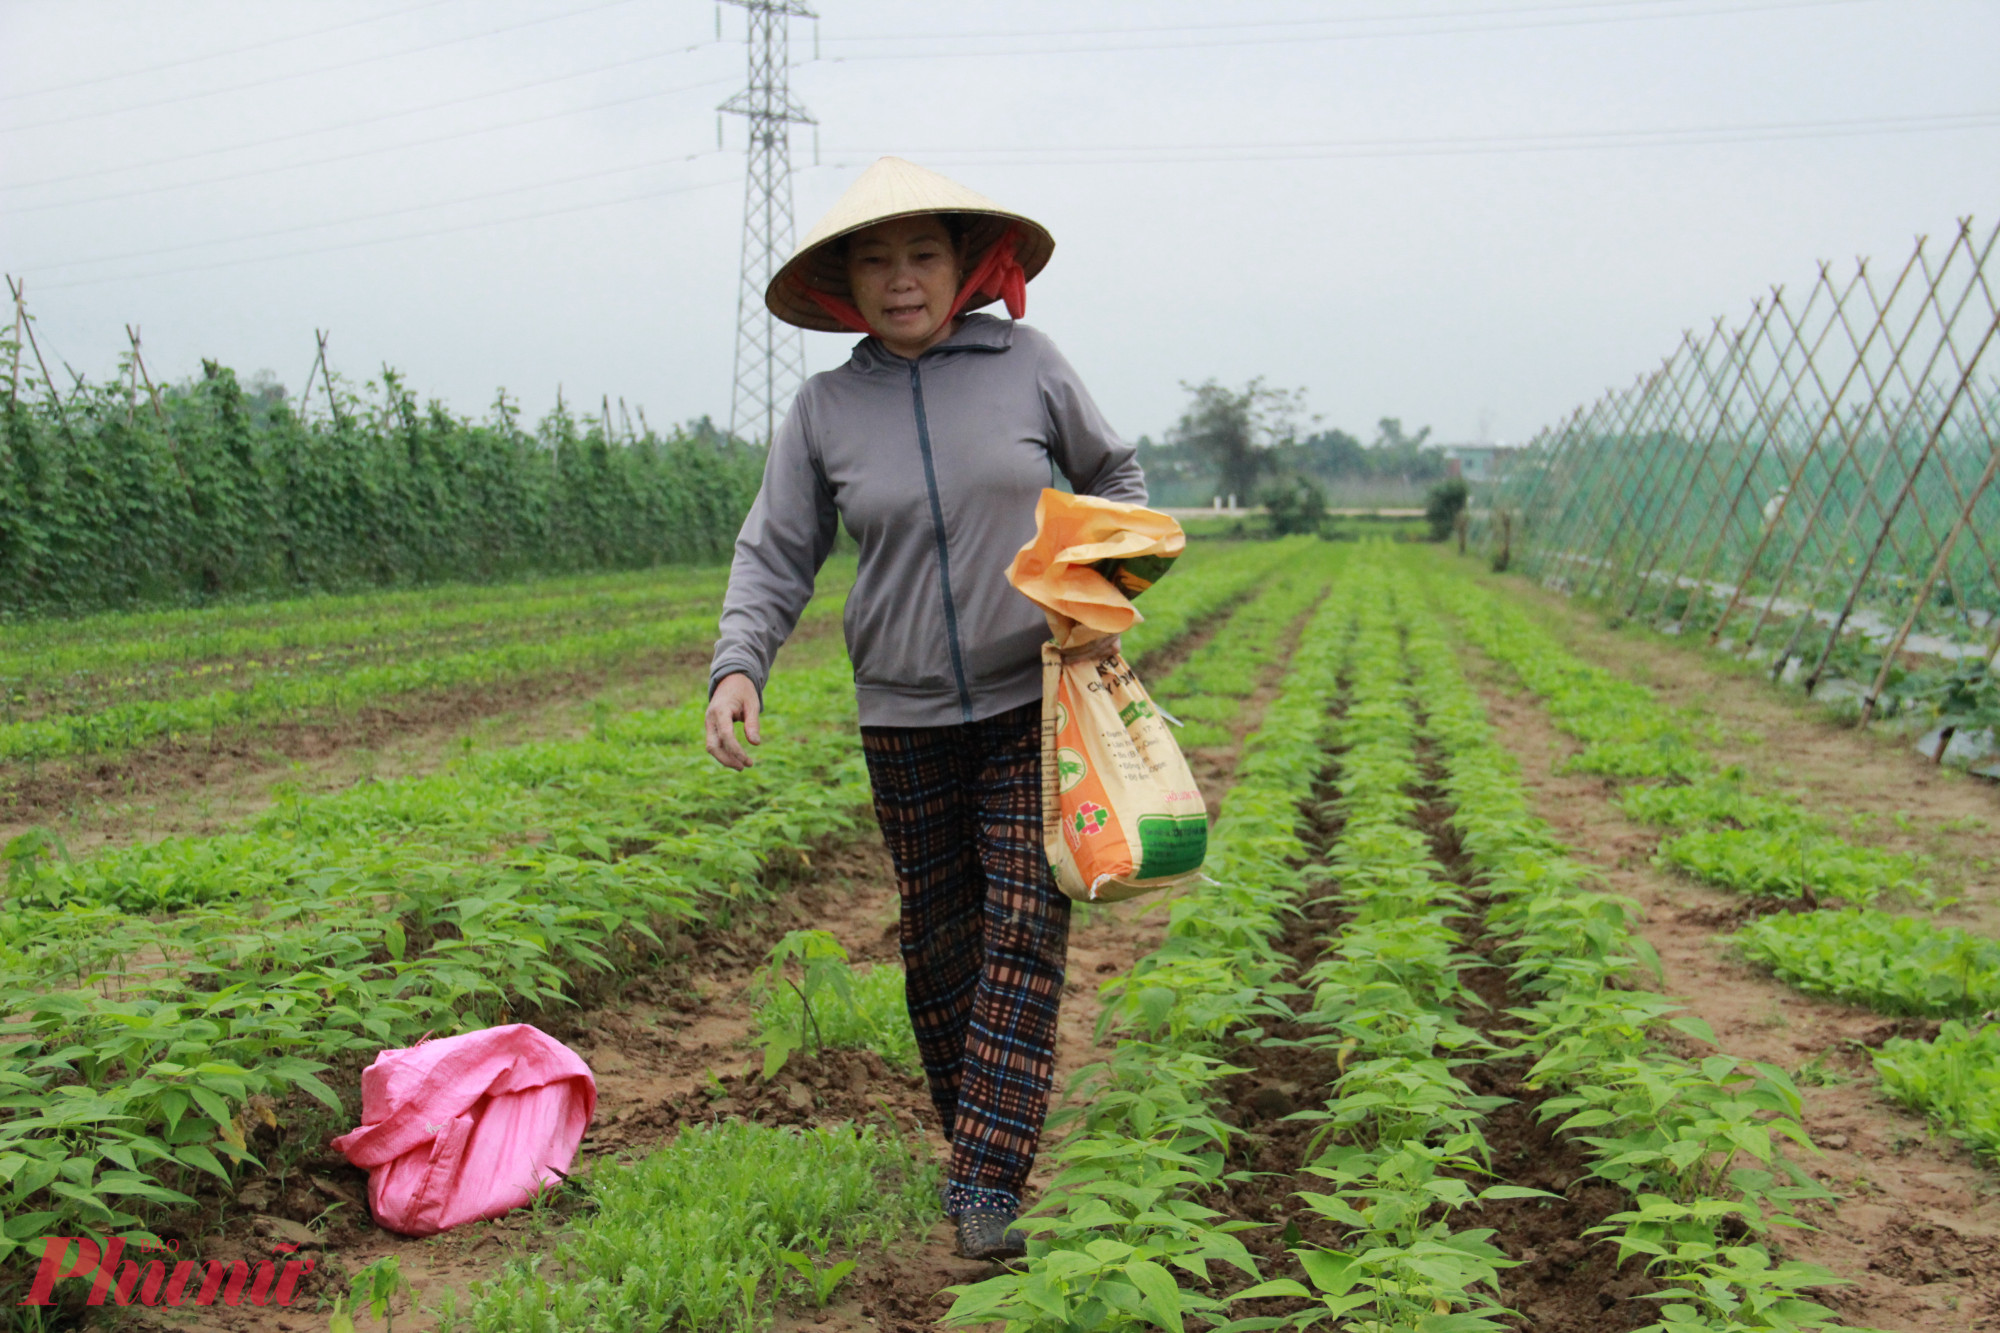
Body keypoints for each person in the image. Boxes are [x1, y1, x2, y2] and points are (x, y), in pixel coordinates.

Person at [704, 157, 1146, 1262]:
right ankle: (977, 1142)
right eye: (875, 259)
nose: (901, 279)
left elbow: (1119, 486)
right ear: (845, 283)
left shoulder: (1029, 366)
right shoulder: (824, 409)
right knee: (940, 943)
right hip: (900, 715)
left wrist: (1095, 598)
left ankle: (986, 1181)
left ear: (962, 265)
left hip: (1029, 697)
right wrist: (737, 664)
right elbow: (777, 550)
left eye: (922, 254)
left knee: (1023, 932)